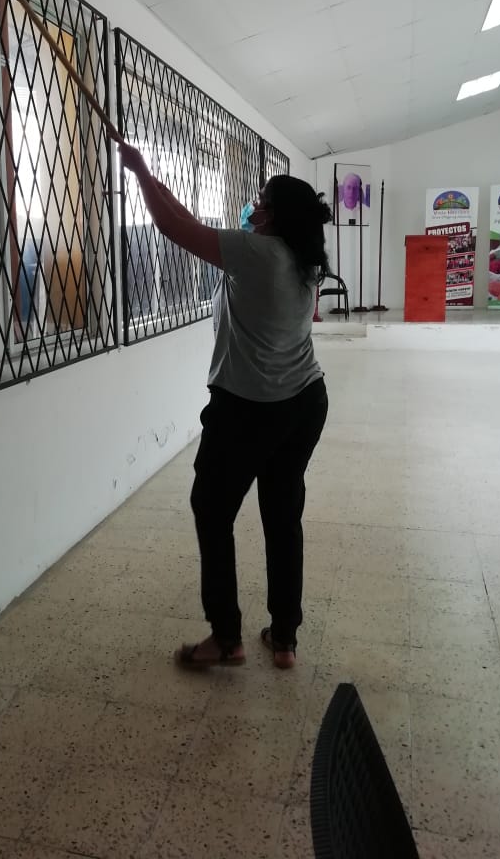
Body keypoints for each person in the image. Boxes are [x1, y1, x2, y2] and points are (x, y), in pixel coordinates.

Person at [116, 141, 331, 670]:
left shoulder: (258, 253)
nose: (252, 207)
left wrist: (139, 174)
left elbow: (173, 228)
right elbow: (188, 221)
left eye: (261, 201)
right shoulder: (303, 258)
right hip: (304, 402)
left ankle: (226, 637)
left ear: (272, 215)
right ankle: (284, 639)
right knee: (282, 516)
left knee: (211, 511)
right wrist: (151, 176)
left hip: (249, 410)